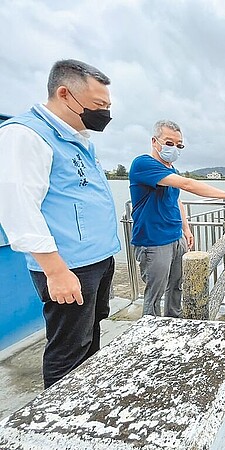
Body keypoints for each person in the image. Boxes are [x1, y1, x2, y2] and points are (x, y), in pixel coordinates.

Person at [0, 59, 120, 388]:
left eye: (108, 106)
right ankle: (59, 419)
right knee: (68, 347)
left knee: (90, 335)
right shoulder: (26, 135)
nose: (105, 113)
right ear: (65, 94)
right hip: (69, 267)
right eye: (98, 105)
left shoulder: (77, 138)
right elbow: (18, 209)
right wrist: (55, 271)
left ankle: (87, 395)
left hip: (97, 260)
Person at [129, 120, 225, 318]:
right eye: (169, 143)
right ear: (154, 141)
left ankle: (174, 321)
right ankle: (151, 329)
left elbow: (177, 201)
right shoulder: (143, 164)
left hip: (176, 237)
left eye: (179, 145)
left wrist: (186, 229)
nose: (174, 149)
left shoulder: (171, 171)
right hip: (153, 240)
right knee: (155, 293)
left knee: (177, 286)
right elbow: (187, 184)